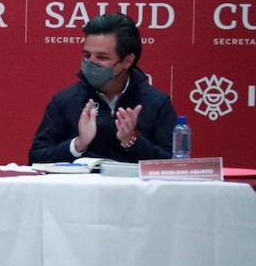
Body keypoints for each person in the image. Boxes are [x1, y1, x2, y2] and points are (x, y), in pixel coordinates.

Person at [29, 12, 176, 164]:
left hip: (130, 187)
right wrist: (78, 145)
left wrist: (131, 141)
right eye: (87, 55)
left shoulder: (156, 103)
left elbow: (174, 165)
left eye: (102, 57)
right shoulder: (65, 100)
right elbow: (36, 158)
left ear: (127, 61)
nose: (91, 63)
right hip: (80, 187)